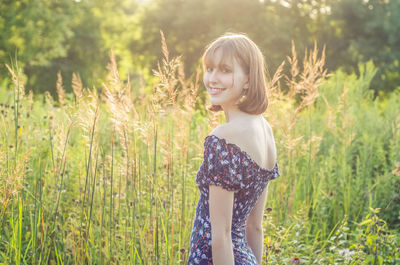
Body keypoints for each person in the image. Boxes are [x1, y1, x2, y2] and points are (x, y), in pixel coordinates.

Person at [187, 33, 280, 265]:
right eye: (209, 69)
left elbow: (222, 235)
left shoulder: (223, 139)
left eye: (225, 70)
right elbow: (254, 227)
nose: (212, 79)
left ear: (248, 79)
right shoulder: (265, 129)